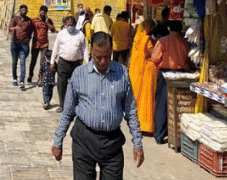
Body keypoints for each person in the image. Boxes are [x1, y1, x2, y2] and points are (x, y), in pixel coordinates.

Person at [51, 32, 144, 179]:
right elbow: (68, 112)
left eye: (107, 56)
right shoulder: (79, 74)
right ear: (91, 51)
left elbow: (131, 111)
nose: (102, 61)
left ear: (112, 50)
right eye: (98, 56)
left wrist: (137, 143)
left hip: (112, 143)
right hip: (84, 141)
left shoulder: (122, 73)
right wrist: (58, 141)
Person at [149, 20, 192, 144]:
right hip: (181, 75)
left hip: (165, 75)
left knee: (162, 104)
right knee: (178, 105)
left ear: (169, 29)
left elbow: (154, 58)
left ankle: (159, 135)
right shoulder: (184, 43)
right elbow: (188, 60)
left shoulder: (162, 41)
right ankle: (175, 135)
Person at [50, 15, 87, 113]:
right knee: (61, 86)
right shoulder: (61, 34)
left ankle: (75, 105)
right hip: (63, 63)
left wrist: (86, 63)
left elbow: (85, 50)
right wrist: (52, 61)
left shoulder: (80, 35)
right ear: (66, 24)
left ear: (75, 24)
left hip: (76, 64)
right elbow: (55, 48)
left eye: (72, 24)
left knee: (76, 86)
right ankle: (62, 105)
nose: (70, 26)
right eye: (68, 24)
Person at [129, 18, 159, 133]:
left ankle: (137, 124)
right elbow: (154, 54)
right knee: (147, 100)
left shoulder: (138, 37)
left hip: (137, 72)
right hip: (147, 72)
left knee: (139, 99)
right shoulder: (147, 39)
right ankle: (146, 126)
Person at [28, 5, 57, 85]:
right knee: (33, 61)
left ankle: (40, 78)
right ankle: (30, 75)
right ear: (39, 11)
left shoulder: (48, 21)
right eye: (42, 12)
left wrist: (47, 21)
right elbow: (29, 30)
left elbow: (53, 30)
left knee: (43, 62)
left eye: (45, 13)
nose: (43, 14)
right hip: (35, 44)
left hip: (44, 44)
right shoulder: (34, 20)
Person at [8, 4, 33, 90]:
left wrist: (27, 41)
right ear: (19, 10)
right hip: (15, 43)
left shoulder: (29, 21)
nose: (23, 11)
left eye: (25, 10)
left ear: (27, 11)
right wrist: (15, 28)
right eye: (22, 9)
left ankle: (22, 81)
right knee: (14, 62)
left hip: (24, 44)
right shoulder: (15, 19)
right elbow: (9, 28)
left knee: (23, 62)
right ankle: (15, 78)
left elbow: (30, 32)